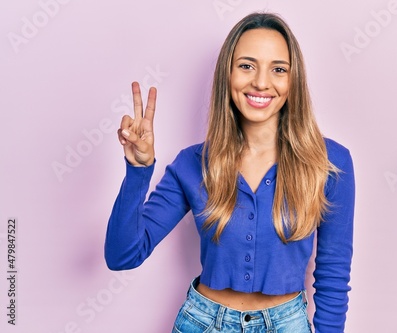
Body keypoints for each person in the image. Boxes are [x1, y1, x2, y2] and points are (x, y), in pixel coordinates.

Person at [105, 12, 355, 333]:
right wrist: (138, 170)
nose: (261, 82)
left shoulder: (331, 163)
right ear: (229, 73)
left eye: (278, 69)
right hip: (202, 322)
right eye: (247, 66)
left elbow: (333, 274)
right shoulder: (192, 163)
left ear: (293, 80)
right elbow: (123, 255)